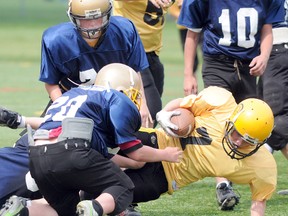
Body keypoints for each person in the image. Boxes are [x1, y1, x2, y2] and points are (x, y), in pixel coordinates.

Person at [1, 86, 275, 216]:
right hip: (153, 141)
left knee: (87, 192)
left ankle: (26, 206)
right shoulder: (221, 102)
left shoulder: (261, 166)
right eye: (238, 133)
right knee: (99, 174)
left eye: (249, 141)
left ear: (262, 144)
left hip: (164, 178)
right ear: (232, 120)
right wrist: (167, 115)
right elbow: (183, 105)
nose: (239, 142)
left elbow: (258, 204)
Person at [0, 63, 183, 216]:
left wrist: (21, 121)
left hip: (38, 155)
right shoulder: (117, 98)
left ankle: (23, 209)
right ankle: (92, 207)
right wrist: (165, 154)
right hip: (71, 150)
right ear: (121, 89)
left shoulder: (74, 95)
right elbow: (135, 152)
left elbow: (51, 123)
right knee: (123, 186)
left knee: (63, 210)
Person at [178, 0, 285, 210]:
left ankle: (249, 174)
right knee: (220, 121)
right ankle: (223, 184)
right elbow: (192, 34)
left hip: (248, 67)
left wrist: (264, 56)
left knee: (250, 124)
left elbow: (267, 29)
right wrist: (188, 74)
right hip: (217, 63)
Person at [38, 0, 156, 127]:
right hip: (73, 98)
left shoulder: (124, 31)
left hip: (117, 100)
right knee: (37, 139)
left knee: (146, 125)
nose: (93, 25)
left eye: (98, 18)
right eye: (85, 20)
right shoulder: (56, 40)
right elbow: (51, 83)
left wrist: (142, 104)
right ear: (73, 18)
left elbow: (134, 71)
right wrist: (65, 109)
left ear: (108, 15)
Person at [113, 0, 174, 127]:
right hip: (129, 53)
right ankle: (134, 145)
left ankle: (132, 143)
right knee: (151, 110)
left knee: (152, 112)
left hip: (152, 53)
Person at [257, 0, 288, 195]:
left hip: (277, 48)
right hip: (276, 49)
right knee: (265, 108)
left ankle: (266, 147)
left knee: (276, 116)